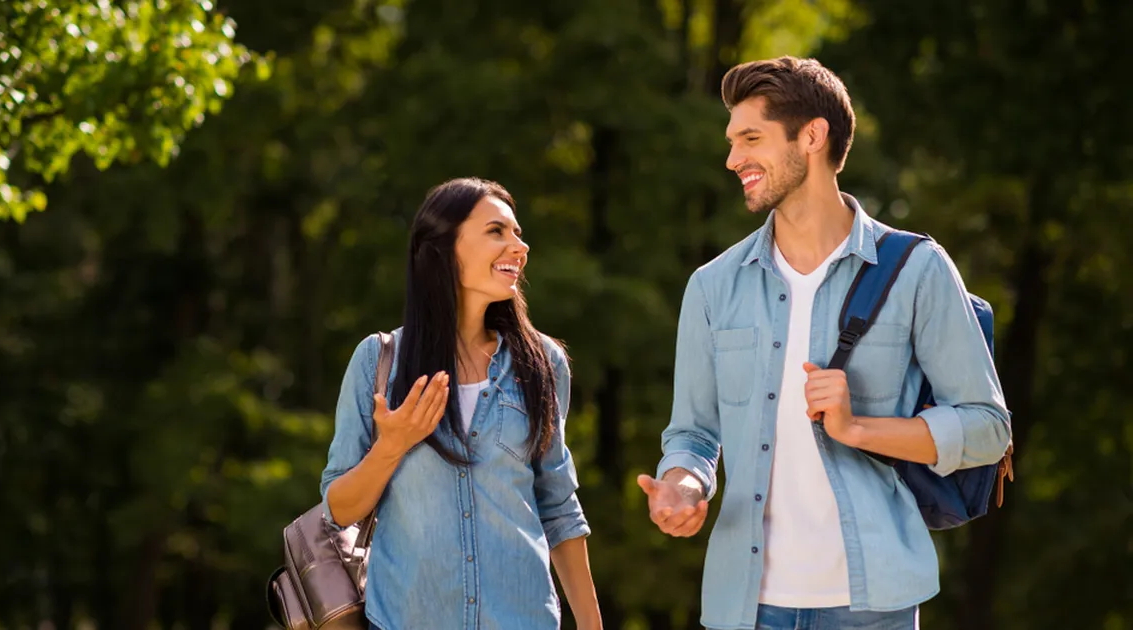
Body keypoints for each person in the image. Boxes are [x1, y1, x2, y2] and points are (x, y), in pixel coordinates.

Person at [637, 57, 1011, 630]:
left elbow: (988, 428)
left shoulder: (917, 270)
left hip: (873, 607)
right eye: (733, 142)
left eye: (751, 138)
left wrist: (858, 429)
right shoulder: (713, 287)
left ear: (812, 135)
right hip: (746, 606)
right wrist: (681, 485)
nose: (733, 159)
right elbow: (693, 434)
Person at [320, 177, 602, 630]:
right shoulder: (378, 361)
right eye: (497, 231)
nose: (519, 247)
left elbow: (558, 507)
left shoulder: (544, 364)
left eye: (518, 233)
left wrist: (592, 625)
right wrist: (390, 446)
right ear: (443, 248)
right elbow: (337, 510)